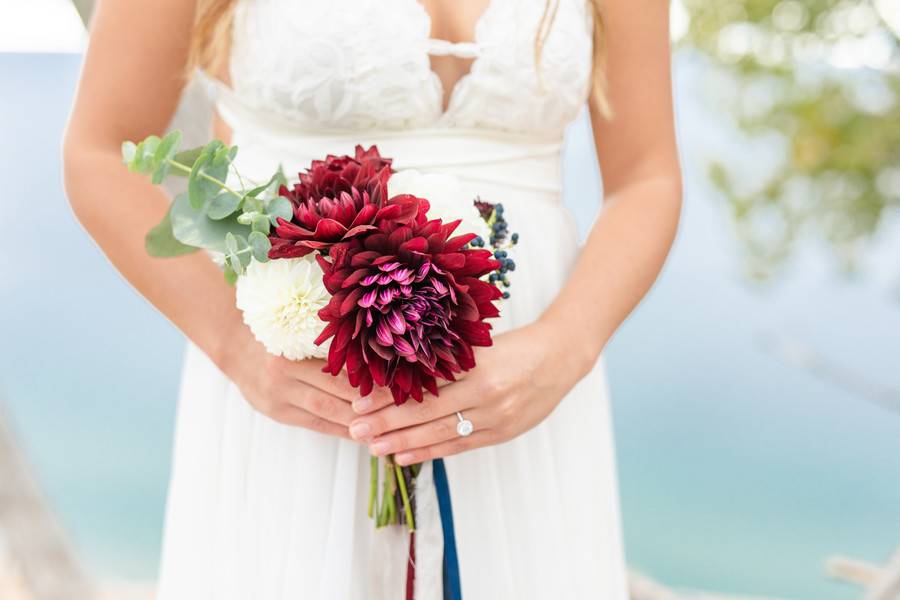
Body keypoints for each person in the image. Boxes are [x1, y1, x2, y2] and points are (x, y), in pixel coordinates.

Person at [63, 0, 681, 598]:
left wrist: (564, 346)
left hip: (526, 402)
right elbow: (100, 151)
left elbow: (646, 176)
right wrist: (237, 348)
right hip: (299, 392)